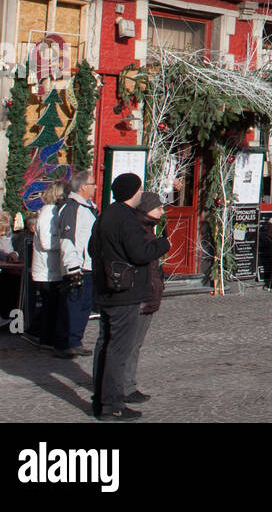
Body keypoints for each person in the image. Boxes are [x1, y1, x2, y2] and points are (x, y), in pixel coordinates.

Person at [89, 173, 170, 422]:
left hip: (107, 286)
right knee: (118, 348)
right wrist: (162, 245)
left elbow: (92, 248)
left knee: (105, 344)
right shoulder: (126, 218)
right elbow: (140, 252)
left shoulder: (105, 215)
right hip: (125, 290)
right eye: (139, 190)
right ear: (132, 192)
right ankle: (112, 405)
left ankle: (101, 399)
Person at [123, 192, 166, 405]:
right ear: (146, 209)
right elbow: (141, 257)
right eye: (158, 208)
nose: (162, 211)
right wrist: (160, 246)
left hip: (148, 291)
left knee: (133, 343)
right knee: (130, 343)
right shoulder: (138, 231)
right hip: (140, 293)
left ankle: (123, 383)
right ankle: (125, 386)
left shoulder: (147, 228)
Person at [54, 170, 98, 358]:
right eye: (92, 184)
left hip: (88, 264)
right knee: (74, 305)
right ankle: (67, 342)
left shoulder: (88, 207)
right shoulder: (72, 208)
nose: (95, 187)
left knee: (83, 305)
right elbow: (67, 238)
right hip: (78, 266)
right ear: (82, 187)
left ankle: (74, 340)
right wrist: (73, 266)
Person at [29, 182, 67, 348]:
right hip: (46, 269)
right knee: (50, 305)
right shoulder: (48, 214)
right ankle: (45, 338)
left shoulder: (54, 212)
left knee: (52, 305)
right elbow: (46, 242)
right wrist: (64, 243)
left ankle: (41, 334)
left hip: (52, 269)